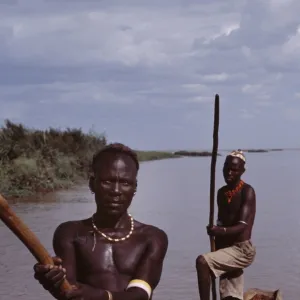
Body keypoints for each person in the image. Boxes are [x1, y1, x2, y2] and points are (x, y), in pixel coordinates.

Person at [33, 143, 168, 300]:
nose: (116, 191)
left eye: (125, 183)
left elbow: (140, 295)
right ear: (92, 184)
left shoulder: (152, 238)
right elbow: (69, 293)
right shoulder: (70, 233)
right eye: (107, 181)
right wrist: (53, 280)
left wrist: (101, 296)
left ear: (134, 188)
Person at [196, 150, 256, 300]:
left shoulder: (247, 191)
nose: (229, 172)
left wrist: (219, 231)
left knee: (202, 262)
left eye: (234, 170)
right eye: (227, 168)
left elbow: (242, 225)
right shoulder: (221, 193)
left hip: (242, 251)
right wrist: (216, 240)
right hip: (227, 248)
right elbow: (221, 221)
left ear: (242, 171)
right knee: (230, 296)